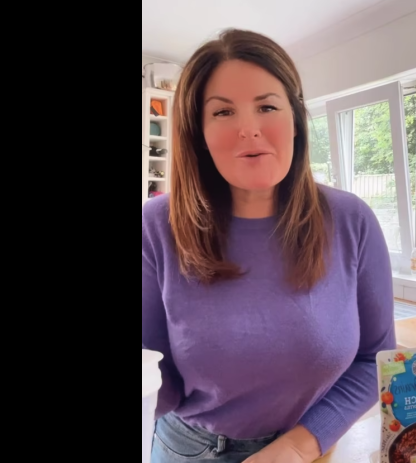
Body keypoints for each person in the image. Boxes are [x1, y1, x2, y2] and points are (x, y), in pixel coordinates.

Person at [142, 29, 396, 463]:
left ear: (294, 119)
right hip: (188, 449)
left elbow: (376, 360)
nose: (249, 129)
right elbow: (156, 379)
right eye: (222, 112)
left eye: (267, 106)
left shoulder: (352, 221)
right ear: (198, 132)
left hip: (311, 448)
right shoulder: (154, 227)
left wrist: (297, 448)